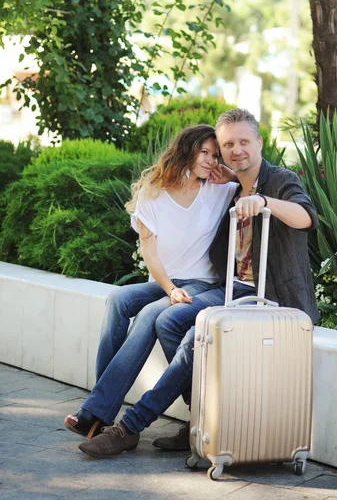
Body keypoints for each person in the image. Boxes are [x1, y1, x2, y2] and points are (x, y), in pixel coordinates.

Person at [78, 108, 320, 459]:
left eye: (243, 142)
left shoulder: (279, 180)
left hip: (268, 295)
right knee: (166, 320)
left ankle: (130, 426)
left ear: (259, 142)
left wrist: (265, 202)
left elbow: (306, 218)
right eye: (228, 145)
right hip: (229, 289)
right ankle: (200, 421)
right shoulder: (229, 190)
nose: (236, 150)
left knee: (192, 334)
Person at [64, 124, 237, 438]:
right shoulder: (152, 190)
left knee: (148, 315)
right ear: (186, 150)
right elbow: (150, 254)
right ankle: (102, 409)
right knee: (118, 300)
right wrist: (169, 289)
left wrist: (233, 176)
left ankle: (95, 412)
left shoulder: (220, 189)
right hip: (164, 280)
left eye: (216, 155)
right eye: (205, 152)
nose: (212, 161)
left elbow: (259, 183)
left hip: (201, 282)